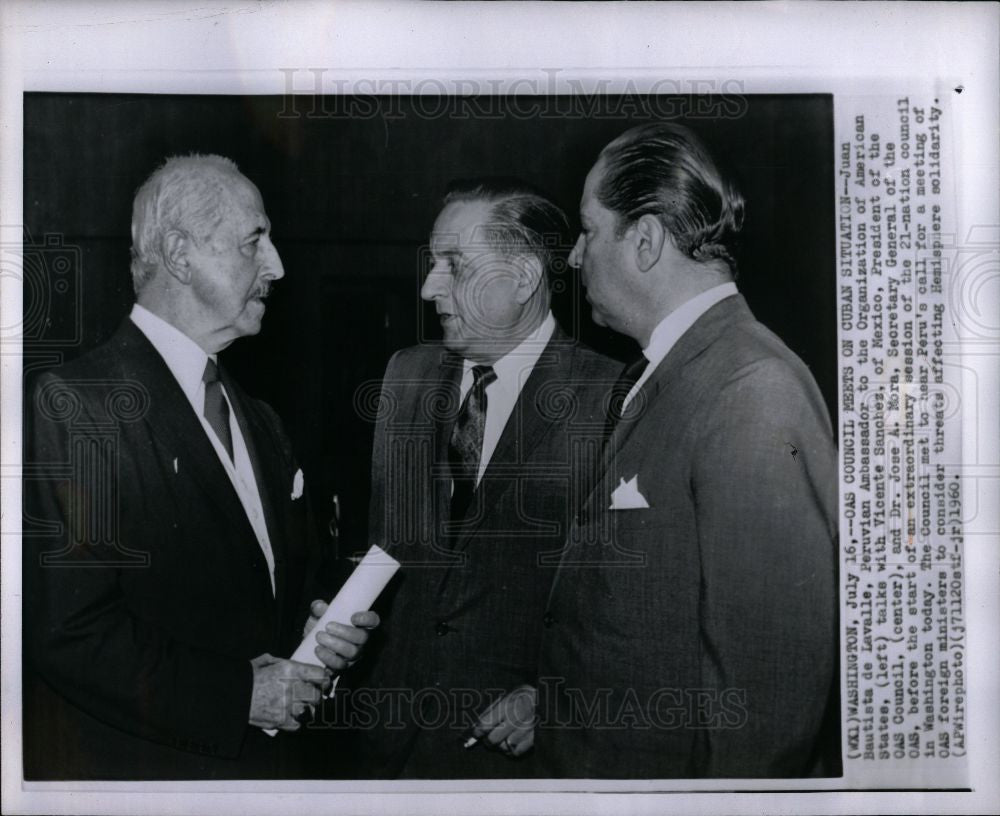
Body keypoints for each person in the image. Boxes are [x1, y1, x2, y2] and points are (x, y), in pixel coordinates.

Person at [23, 154, 377, 780]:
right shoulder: (79, 406)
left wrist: (322, 626)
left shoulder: (260, 418)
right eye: (254, 241)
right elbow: (70, 630)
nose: (278, 266)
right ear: (181, 255)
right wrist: (239, 696)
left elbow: (278, 582)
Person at [531, 123, 840, 777]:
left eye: (589, 230)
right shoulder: (679, 371)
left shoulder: (751, 388)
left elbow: (767, 715)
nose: (577, 257)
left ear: (644, 240)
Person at [339, 179, 619, 778]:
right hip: (387, 748)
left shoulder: (612, 397)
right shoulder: (405, 376)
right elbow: (386, 549)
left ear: (521, 278)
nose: (428, 287)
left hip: (511, 760)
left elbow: (627, 600)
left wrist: (557, 697)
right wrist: (340, 622)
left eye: (453, 265)